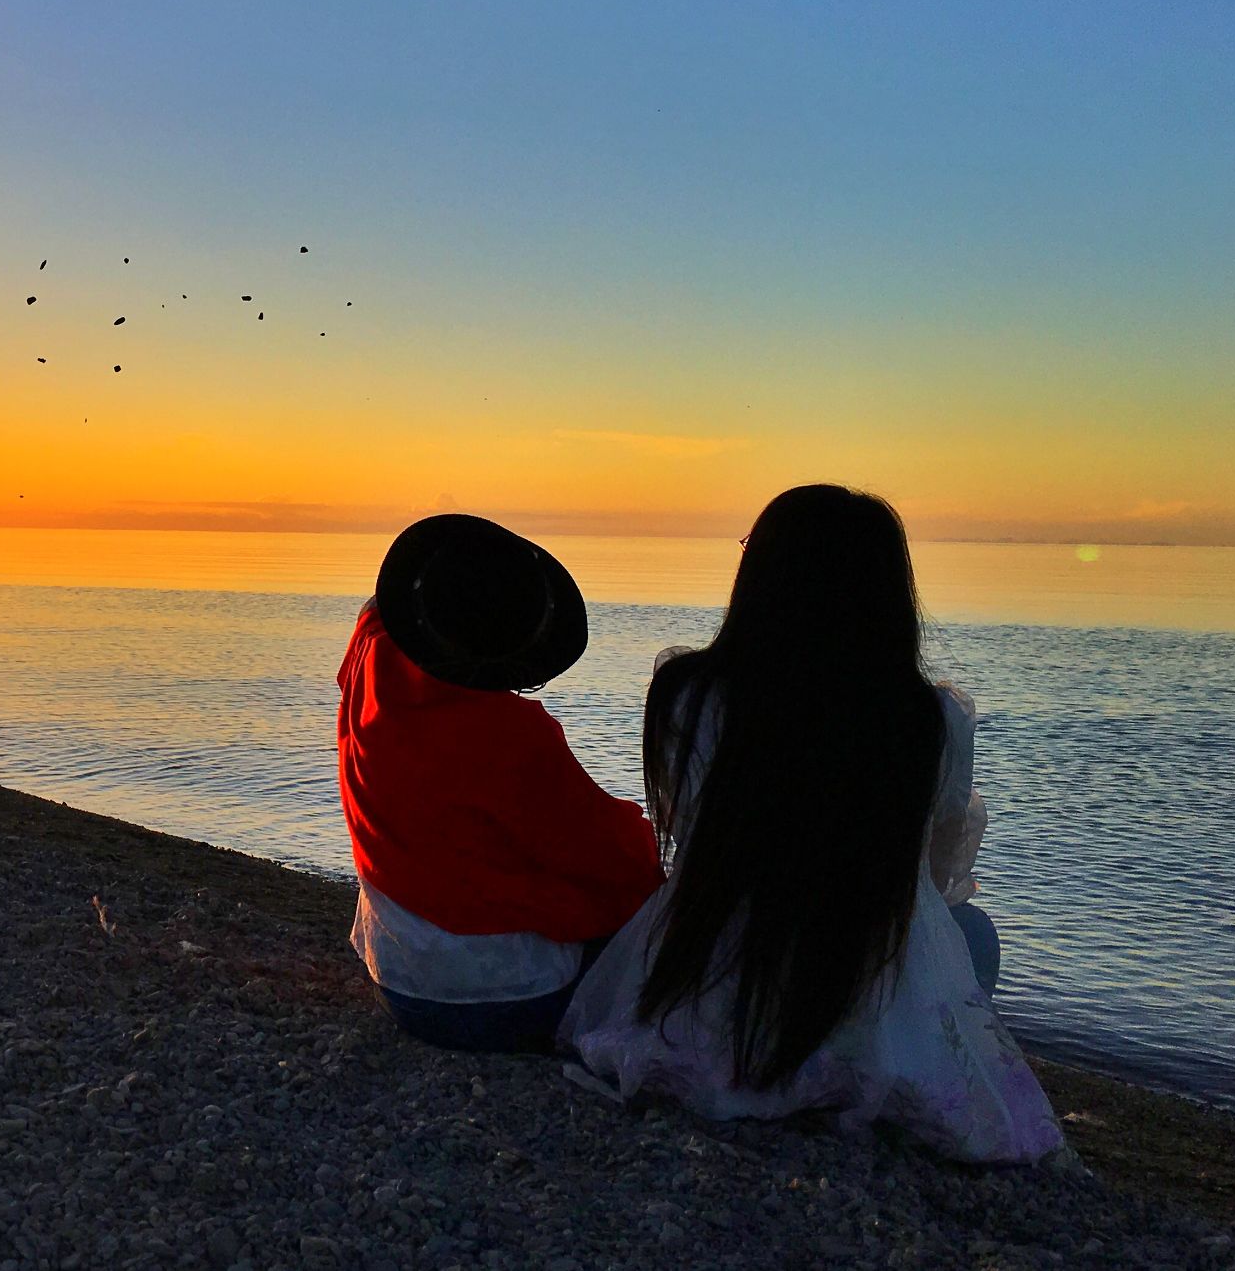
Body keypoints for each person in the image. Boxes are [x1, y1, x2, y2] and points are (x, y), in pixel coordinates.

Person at [560, 485, 1061, 1163]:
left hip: (715, 970)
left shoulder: (689, 694)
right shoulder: (927, 721)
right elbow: (937, 873)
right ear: (889, 592)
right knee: (970, 932)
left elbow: (680, 830)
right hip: (861, 957)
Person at [339, 514, 664, 1053]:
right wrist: (646, 832)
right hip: (501, 1001)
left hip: (391, 973)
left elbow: (377, 613)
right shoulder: (511, 736)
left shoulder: (370, 663)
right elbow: (616, 857)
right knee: (648, 908)